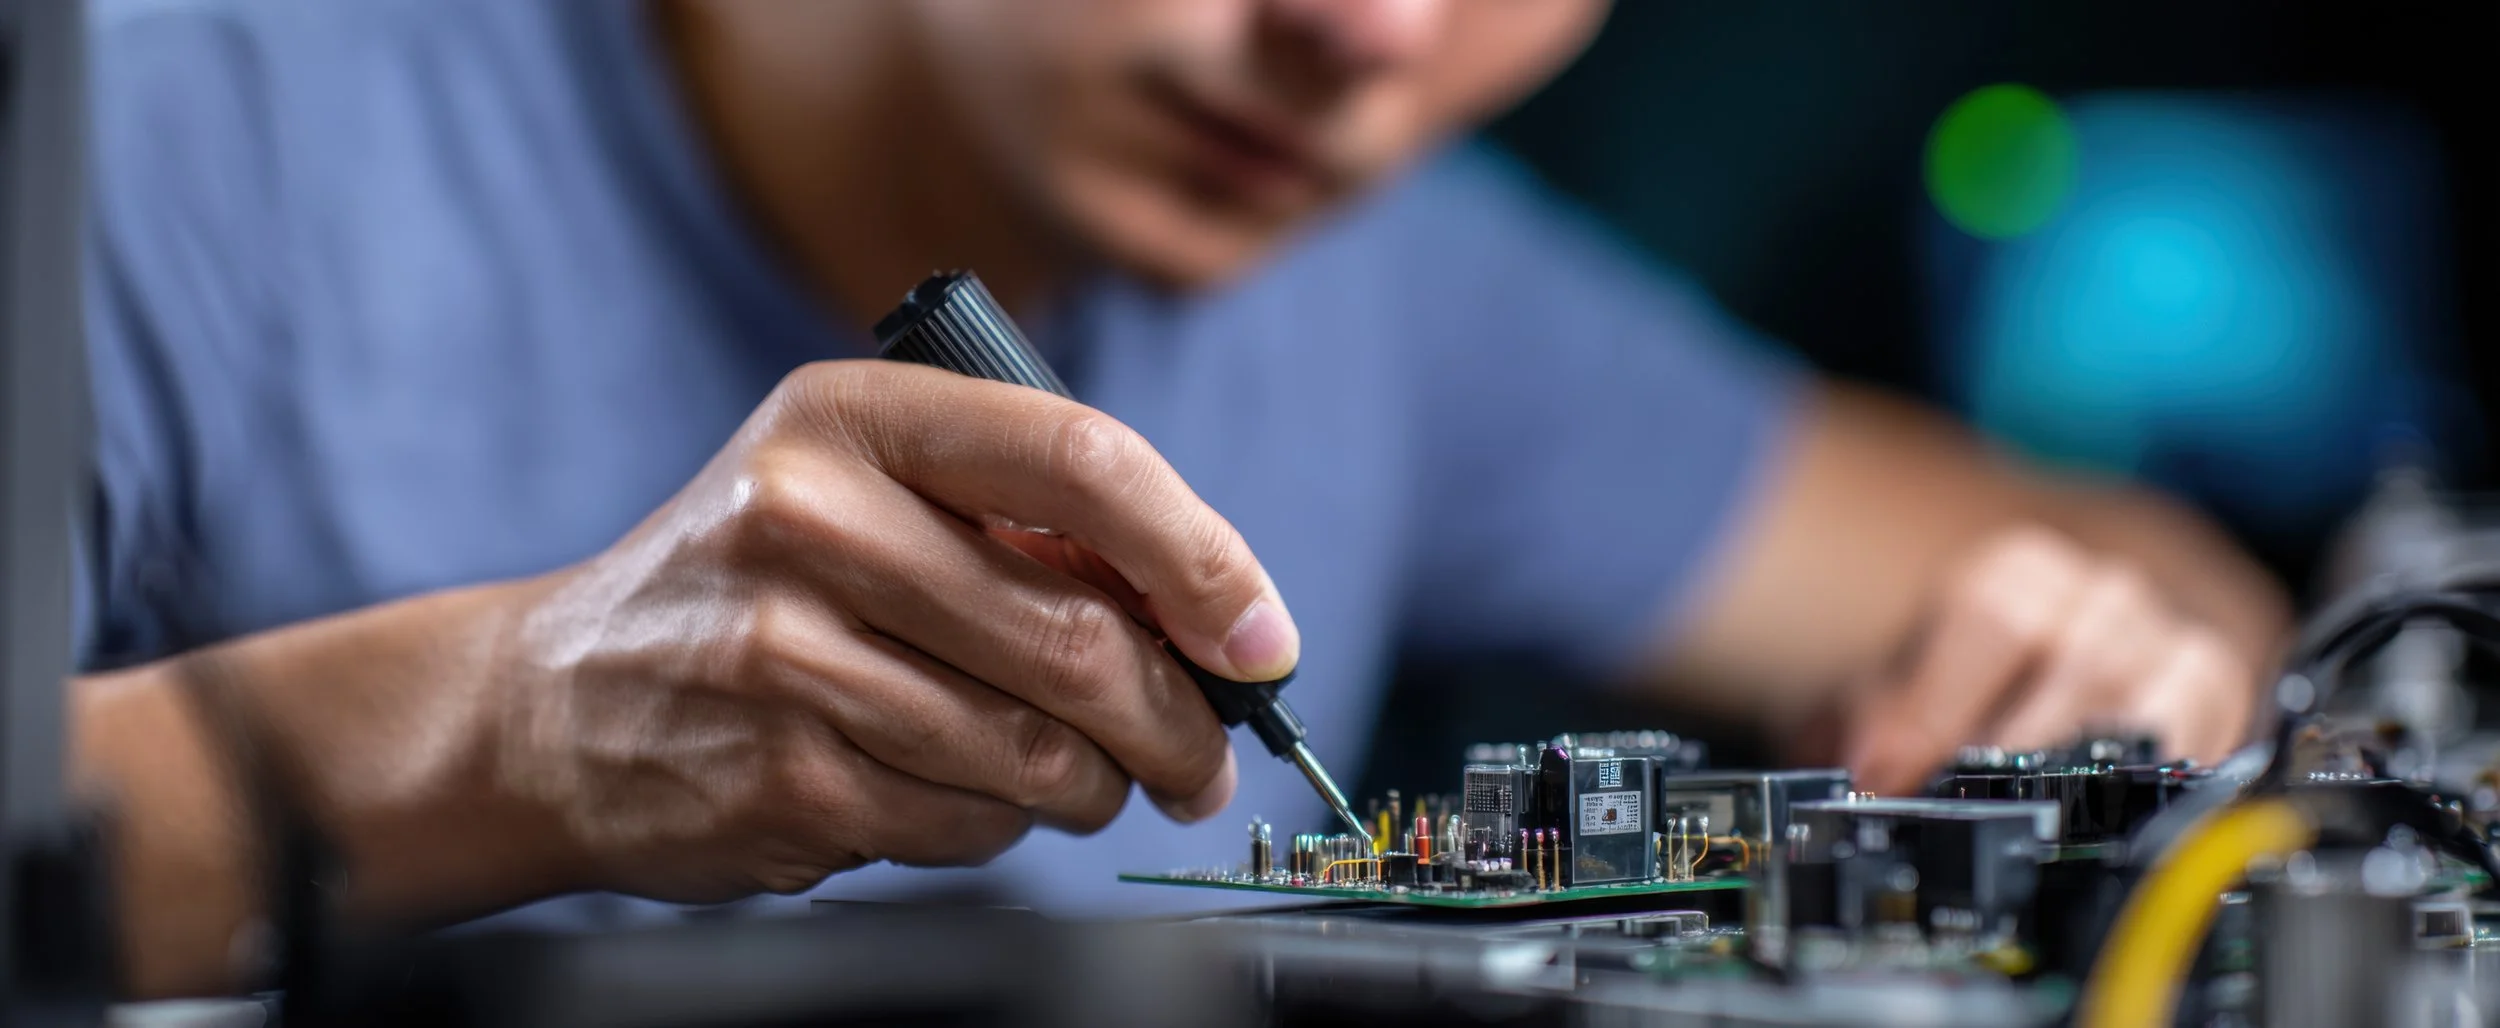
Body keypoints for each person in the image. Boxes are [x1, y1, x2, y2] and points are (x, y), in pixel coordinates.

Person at [72, 0, 2288, 997]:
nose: (1369, 34)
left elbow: (2168, 599)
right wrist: (507, 730)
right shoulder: (160, 126)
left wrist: (2106, 664)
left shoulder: (1382, 267)